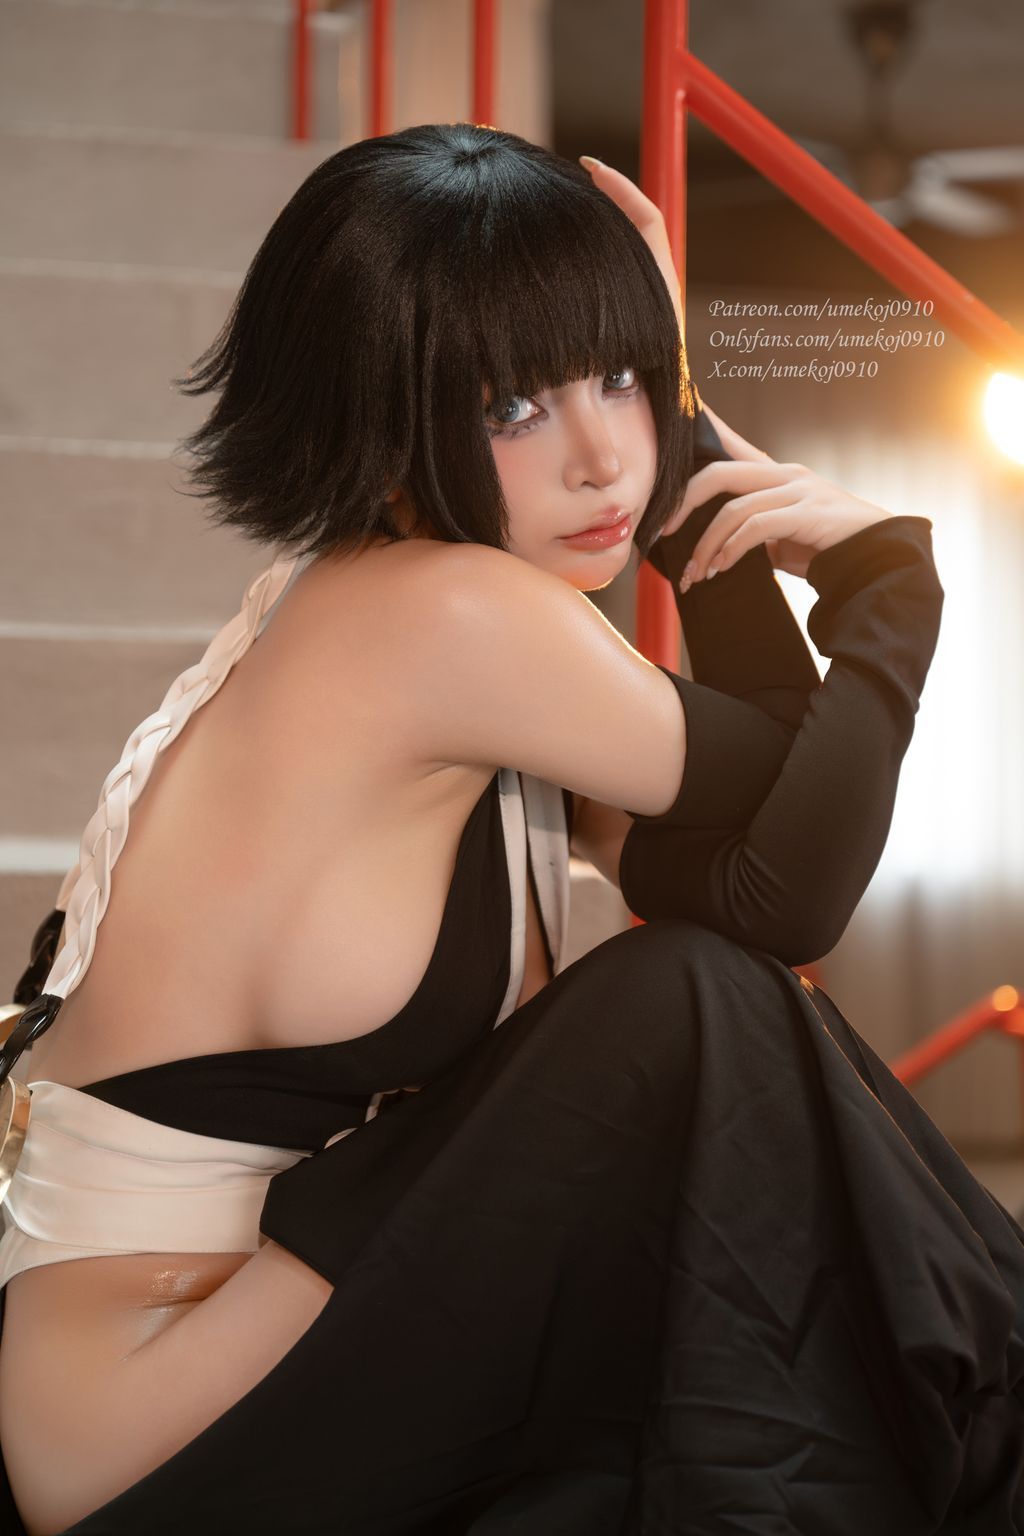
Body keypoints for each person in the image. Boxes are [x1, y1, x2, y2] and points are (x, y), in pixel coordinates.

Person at [0, 121, 1019, 1535]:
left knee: (705, 1007)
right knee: (677, 1009)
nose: (604, 459)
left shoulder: (444, 636)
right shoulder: (441, 618)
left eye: (623, 378)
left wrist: (688, 468)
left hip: (259, 1320)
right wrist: (889, 590)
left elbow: (747, 890)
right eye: (516, 406)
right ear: (385, 417)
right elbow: (795, 877)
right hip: (143, 1420)